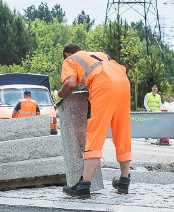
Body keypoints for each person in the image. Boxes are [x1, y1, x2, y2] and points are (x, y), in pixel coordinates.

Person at [54, 44, 132, 199]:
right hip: (123, 83)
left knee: (95, 132)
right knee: (122, 131)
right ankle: (124, 180)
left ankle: (84, 185)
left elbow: (70, 84)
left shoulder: (69, 60)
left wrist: (59, 96)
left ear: (66, 54)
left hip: (103, 86)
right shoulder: (98, 54)